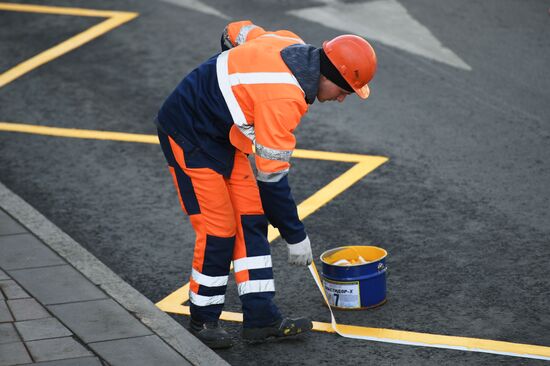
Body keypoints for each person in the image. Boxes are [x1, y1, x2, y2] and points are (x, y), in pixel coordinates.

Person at [155, 20, 377, 349]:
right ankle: (203, 319)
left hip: (222, 136)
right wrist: (295, 235)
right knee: (219, 230)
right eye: (344, 92)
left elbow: (237, 31)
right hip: (187, 133)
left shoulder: (289, 43)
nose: (342, 99)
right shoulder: (284, 99)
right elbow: (272, 179)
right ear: (328, 77)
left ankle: (261, 319)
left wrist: (227, 81)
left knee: (251, 220)